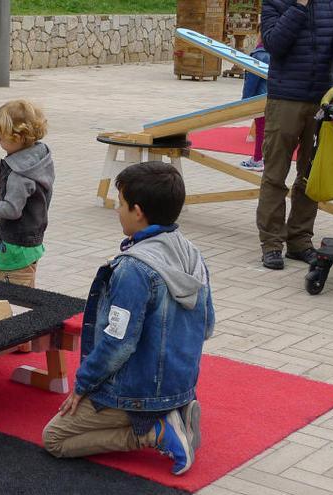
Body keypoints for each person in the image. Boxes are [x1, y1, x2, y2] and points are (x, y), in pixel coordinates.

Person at [41, 161, 214, 476]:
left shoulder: (133, 269)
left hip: (137, 392)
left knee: (54, 439)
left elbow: (117, 344)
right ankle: (174, 410)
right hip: (181, 385)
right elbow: (207, 325)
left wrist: (82, 385)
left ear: (138, 211)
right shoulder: (192, 253)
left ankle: (156, 432)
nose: (116, 210)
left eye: (119, 203)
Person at [256, 0, 333, 270]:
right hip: (284, 99)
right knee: (275, 175)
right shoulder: (274, 2)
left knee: (310, 175)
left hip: (322, 100)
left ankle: (300, 241)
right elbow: (274, 44)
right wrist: (299, 6)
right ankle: (272, 244)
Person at [0, 99, 53, 289]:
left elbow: (12, 209)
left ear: (18, 138)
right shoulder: (37, 159)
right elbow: (26, 196)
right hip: (31, 242)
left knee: (12, 294)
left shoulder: (18, 173)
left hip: (16, 248)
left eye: (1, 137)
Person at [239, 38, 270, 172]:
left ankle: (258, 159)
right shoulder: (277, 51)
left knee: (261, 129)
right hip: (275, 97)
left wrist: (245, 100)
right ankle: (264, 158)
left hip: (260, 98)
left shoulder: (259, 55)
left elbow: (252, 82)